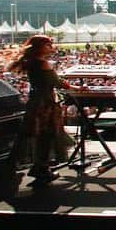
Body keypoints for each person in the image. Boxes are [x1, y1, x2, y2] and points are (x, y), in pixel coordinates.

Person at [8, 35, 77, 187]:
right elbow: (58, 83)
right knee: (47, 135)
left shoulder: (31, 62)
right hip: (45, 105)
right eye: (48, 45)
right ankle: (42, 169)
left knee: (39, 135)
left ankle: (39, 166)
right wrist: (78, 88)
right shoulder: (43, 64)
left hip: (35, 102)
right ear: (40, 47)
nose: (51, 47)